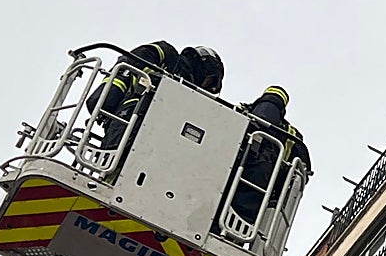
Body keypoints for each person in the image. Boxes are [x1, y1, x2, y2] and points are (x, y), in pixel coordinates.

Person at [89, 43, 225, 151]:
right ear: (203, 67)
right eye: (210, 81)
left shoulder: (188, 100)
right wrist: (158, 80)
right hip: (129, 127)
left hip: (153, 145)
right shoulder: (169, 56)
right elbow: (137, 58)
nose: (208, 88)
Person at [230, 86, 311, 225]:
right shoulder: (292, 134)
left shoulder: (241, 110)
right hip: (256, 193)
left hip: (225, 173)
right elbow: (302, 173)